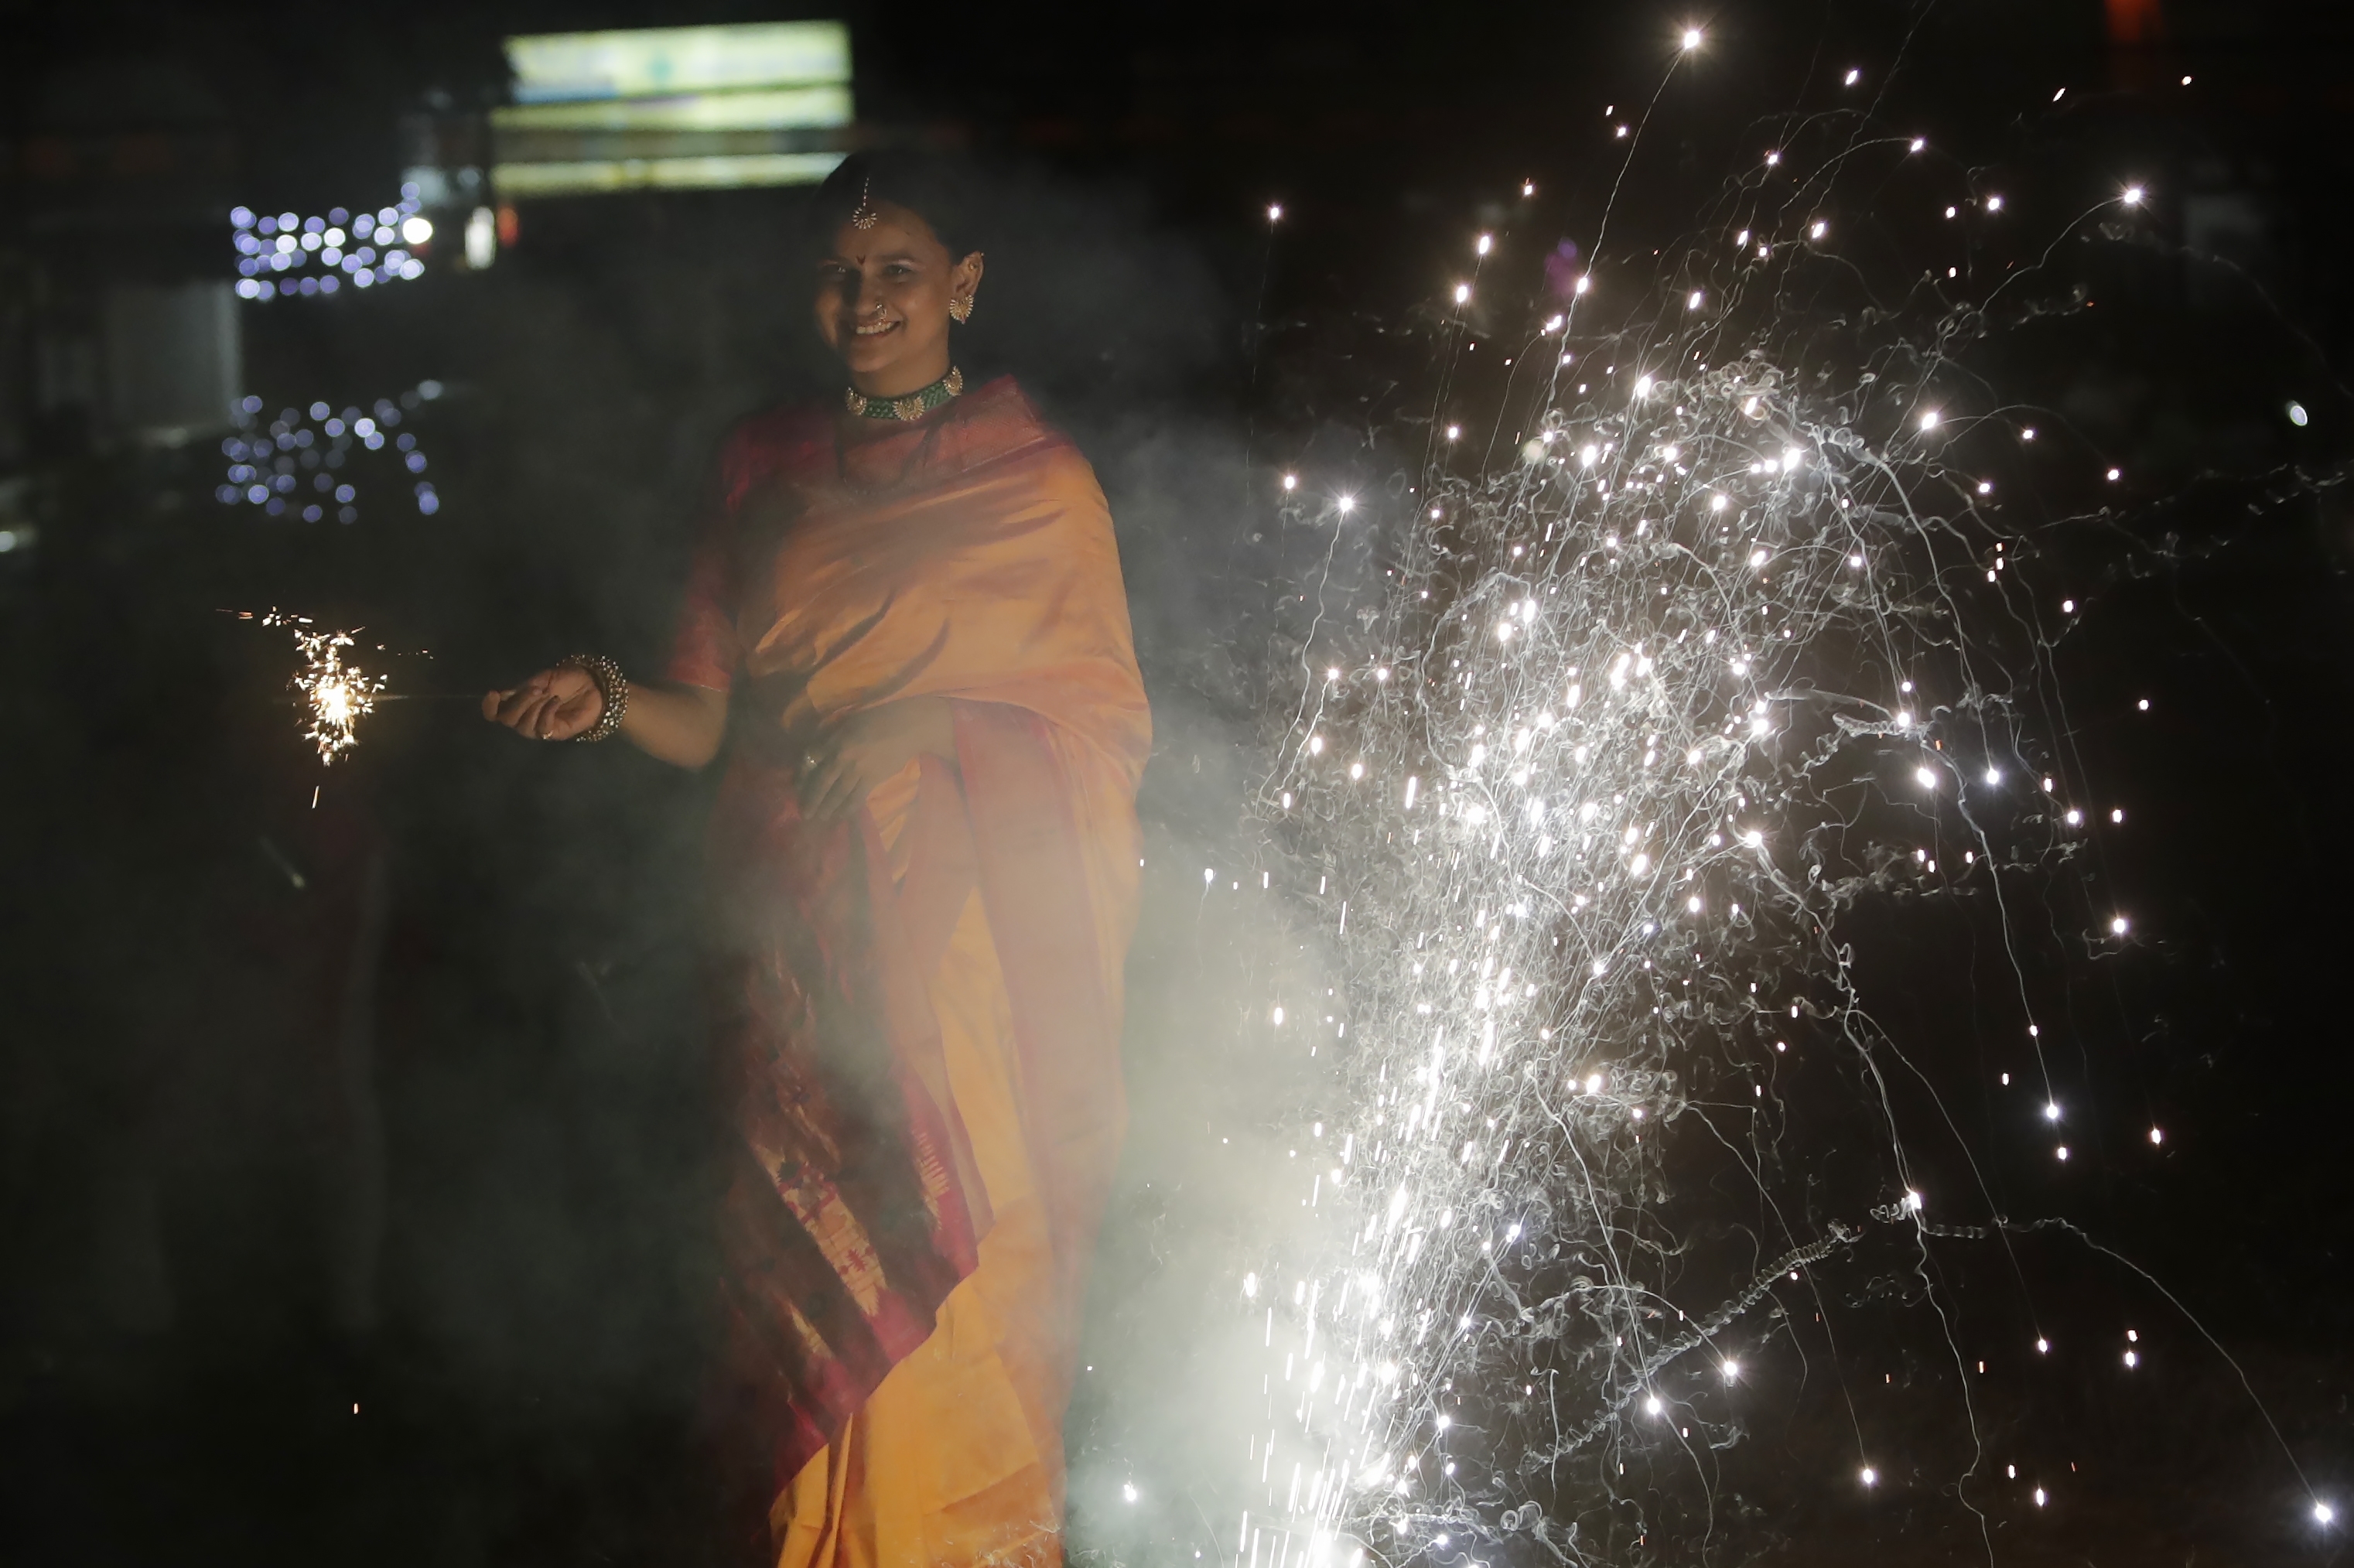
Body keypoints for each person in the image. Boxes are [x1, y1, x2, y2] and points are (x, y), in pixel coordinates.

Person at [483, 152, 1150, 1567]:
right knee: (807, 1310)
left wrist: (926, 721)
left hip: (966, 972)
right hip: (796, 960)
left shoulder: (1042, 485)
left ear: (963, 287)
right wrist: (602, 700)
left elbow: (1097, 734)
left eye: (898, 271)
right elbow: (708, 716)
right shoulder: (762, 467)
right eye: (840, 274)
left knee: (957, 1294)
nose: (865, 299)